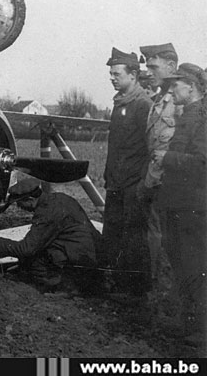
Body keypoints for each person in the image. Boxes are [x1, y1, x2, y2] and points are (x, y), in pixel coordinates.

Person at [152, 63, 206, 343]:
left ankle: (200, 330)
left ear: (191, 87)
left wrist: (167, 158)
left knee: (195, 266)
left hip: (192, 207)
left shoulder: (202, 119)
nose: (171, 91)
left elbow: (202, 163)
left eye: (175, 85)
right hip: (177, 204)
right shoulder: (188, 116)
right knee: (181, 265)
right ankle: (187, 324)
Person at [0, 176, 103, 294]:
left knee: (36, 259)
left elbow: (27, 248)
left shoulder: (46, 213)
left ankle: (62, 287)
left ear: (30, 199)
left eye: (20, 204)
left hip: (81, 262)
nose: (20, 208)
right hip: (92, 254)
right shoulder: (59, 199)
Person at [102, 47, 153, 296]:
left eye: (117, 73)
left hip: (133, 184)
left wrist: (141, 183)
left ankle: (135, 290)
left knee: (133, 237)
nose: (112, 77)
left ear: (133, 75)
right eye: (110, 73)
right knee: (113, 233)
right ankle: (118, 283)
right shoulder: (120, 103)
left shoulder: (143, 105)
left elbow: (150, 147)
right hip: (116, 183)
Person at [138, 43, 180, 302]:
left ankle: (167, 295)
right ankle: (158, 291)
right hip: (156, 183)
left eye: (154, 66)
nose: (149, 72)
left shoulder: (182, 102)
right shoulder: (158, 100)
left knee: (170, 243)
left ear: (171, 66)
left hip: (170, 185)